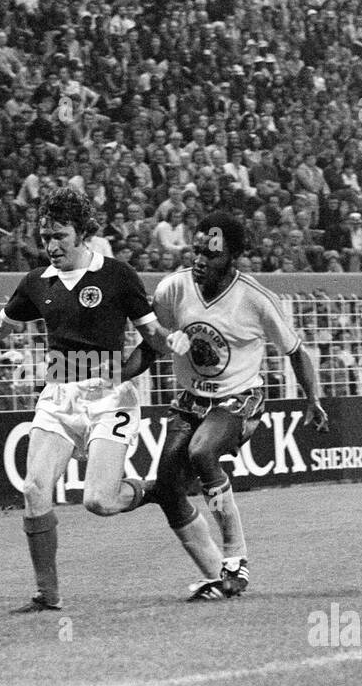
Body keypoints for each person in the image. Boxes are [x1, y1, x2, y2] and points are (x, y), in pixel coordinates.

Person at [0, 187, 182, 613]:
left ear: (82, 233)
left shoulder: (117, 276)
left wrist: (166, 347)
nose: (51, 245)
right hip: (58, 393)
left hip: (109, 397)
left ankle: (158, 491)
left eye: (60, 235)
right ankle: (47, 595)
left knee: (99, 502)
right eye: (45, 236)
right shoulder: (37, 282)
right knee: (35, 488)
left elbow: (152, 339)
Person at [124, 212, 329, 600]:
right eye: (197, 250)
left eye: (211, 254)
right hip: (189, 402)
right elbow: (152, 346)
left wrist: (313, 401)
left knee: (203, 452)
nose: (200, 259)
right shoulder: (173, 289)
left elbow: (297, 351)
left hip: (240, 400)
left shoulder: (255, 299)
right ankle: (215, 573)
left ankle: (236, 562)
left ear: (232, 257)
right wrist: (114, 377)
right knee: (170, 490)